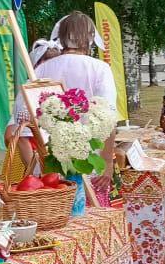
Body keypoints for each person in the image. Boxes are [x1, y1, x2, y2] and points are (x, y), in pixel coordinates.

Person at [8, 12, 118, 178]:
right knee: (87, 205)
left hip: (51, 166)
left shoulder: (41, 69)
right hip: (88, 163)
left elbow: (22, 125)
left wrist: (38, 170)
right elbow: (108, 119)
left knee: (61, 205)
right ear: (90, 37)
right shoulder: (100, 68)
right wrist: (107, 162)